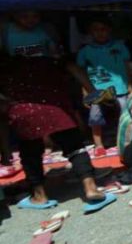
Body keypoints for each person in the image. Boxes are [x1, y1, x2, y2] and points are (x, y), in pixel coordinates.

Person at [0, 54, 116, 212]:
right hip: (56, 106)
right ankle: (91, 189)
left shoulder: (8, 61)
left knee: (30, 153)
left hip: (23, 111)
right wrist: (93, 92)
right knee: (75, 148)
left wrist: (6, 152)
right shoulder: (50, 54)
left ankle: (39, 196)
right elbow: (75, 69)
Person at [76, 17, 131, 156]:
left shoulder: (119, 46)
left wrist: (131, 85)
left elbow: (127, 65)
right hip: (96, 90)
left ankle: (125, 140)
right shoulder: (85, 51)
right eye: (96, 30)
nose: (100, 33)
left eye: (103, 29)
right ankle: (98, 144)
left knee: (125, 115)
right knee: (95, 117)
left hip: (120, 87)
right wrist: (85, 92)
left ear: (110, 30)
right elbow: (81, 73)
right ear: (90, 32)